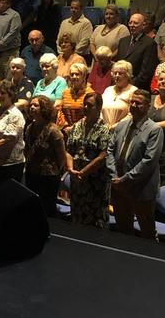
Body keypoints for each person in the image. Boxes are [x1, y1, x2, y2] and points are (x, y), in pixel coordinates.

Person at [106, 89, 164, 239]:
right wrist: (114, 176)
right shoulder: (121, 125)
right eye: (131, 102)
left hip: (141, 188)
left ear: (147, 106)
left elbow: (149, 161)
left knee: (147, 232)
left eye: (138, 103)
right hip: (118, 186)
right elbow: (110, 150)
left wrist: (124, 179)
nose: (133, 105)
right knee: (123, 230)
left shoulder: (154, 130)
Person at [66, 92, 112, 228]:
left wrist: (83, 172)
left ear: (99, 108)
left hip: (95, 182)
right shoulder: (77, 126)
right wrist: (70, 169)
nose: (85, 107)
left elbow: (103, 155)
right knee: (77, 217)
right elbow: (69, 150)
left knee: (95, 221)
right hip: (77, 180)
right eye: (84, 104)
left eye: (90, 105)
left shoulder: (104, 129)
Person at [24, 95, 66, 215]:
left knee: (47, 208)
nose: (32, 107)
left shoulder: (53, 130)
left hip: (49, 177)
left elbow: (61, 156)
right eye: (31, 105)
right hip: (32, 173)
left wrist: (56, 171)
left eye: (36, 105)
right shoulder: (30, 128)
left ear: (44, 108)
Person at [116, 13, 158, 90]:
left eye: (136, 23)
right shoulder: (123, 41)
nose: (132, 25)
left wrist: (130, 84)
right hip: (120, 83)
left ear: (143, 25)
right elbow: (118, 63)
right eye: (130, 22)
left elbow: (146, 72)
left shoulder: (150, 43)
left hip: (137, 87)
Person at [56, 63, 93, 137]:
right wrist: (65, 126)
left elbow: (91, 115)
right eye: (72, 74)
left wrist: (75, 128)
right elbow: (61, 111)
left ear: (84, 76)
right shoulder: (65, 93)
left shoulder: (90, 93)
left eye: (77, 74)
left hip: (84, 133)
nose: (74, 77)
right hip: (66, 132)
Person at [101, 60, 137, 129]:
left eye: (120, 73)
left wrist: (116, 126)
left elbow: (132, 114)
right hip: (104, 129)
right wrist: (103, 125)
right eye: (115, 73)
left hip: (123, 130)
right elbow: (100, 110)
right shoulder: (108, 90)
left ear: (127, 75)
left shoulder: (133, 91)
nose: (117, 76)